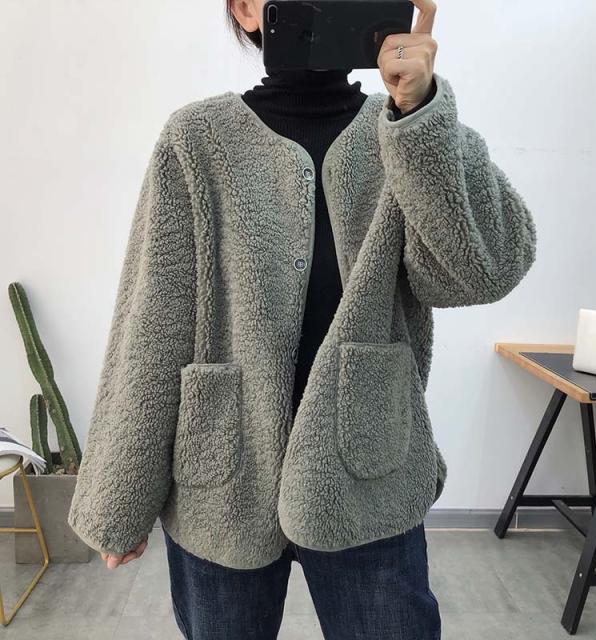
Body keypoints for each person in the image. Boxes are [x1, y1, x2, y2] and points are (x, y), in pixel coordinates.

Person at [67, 0, 537, 638]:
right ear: (245, 9)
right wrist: (120, 497)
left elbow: (483, 270)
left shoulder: (405, 128)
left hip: (370, 470)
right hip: (223, 476)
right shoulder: (197, 139)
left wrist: (420, 113)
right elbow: (152, 322)